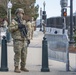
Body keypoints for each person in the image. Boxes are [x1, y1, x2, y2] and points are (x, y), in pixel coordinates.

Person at [8, 8, 30, 73]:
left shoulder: (24, 22)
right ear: (16, 14)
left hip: (24, 40)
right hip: (17, 40)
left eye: (22, 13)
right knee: (18, 54)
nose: (20, 15)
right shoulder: (14, 21)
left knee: (24, 54)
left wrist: (28, 38)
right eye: (19, 13)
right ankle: (16, 67)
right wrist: (17, 26)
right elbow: (10, 29)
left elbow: (26, 31)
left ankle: (23, 67)